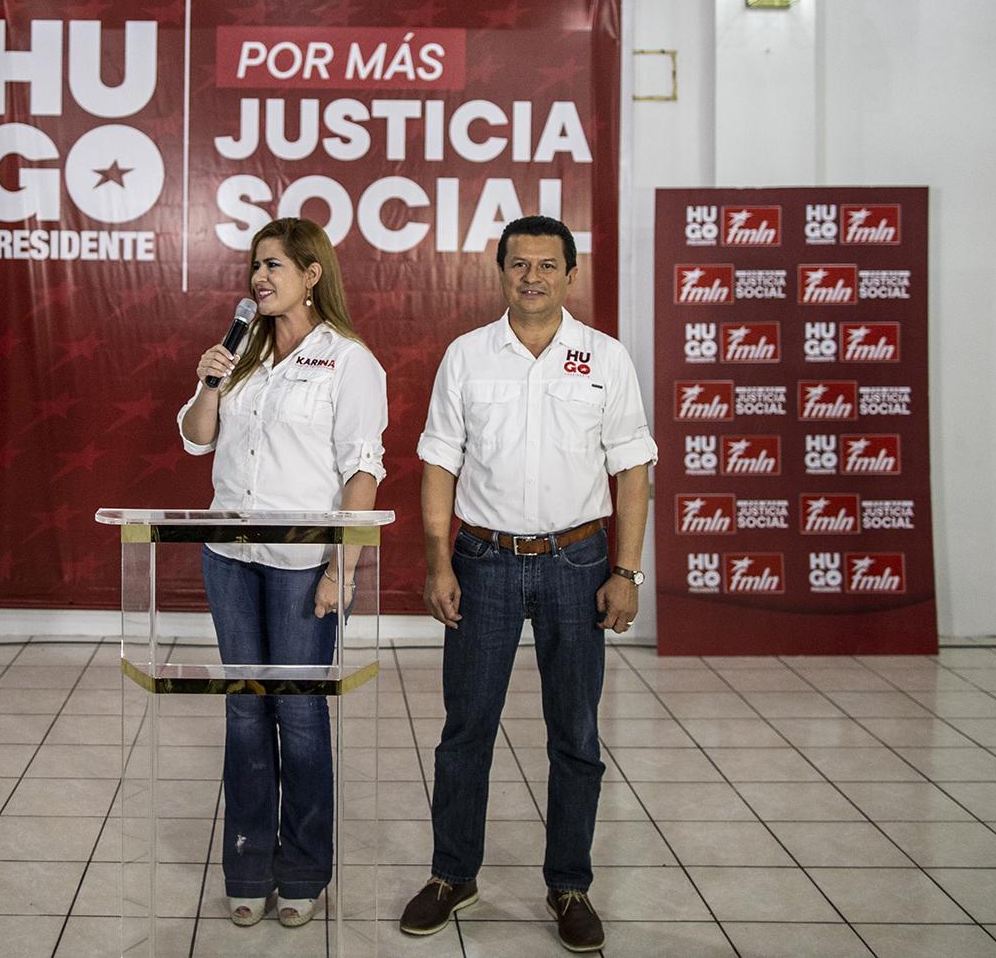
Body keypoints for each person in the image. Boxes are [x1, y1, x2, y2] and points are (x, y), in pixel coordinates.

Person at [398, 215, 656, 953]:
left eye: (547, 264)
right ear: (500, 271)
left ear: (571, 273)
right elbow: (439, 463)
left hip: (580, 563)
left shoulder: (604, 357)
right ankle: (453, 874)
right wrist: (439, 561)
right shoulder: (467, 356)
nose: (533, 276)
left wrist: (626, 571)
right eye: (519, 264)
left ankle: (569, 883)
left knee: (575, 733)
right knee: (465, 728)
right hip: (483, 561)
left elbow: (631, 467)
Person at [177, 216, 389, 928]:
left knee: (299, 712)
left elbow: (363, 469)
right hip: (230, 556)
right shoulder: (238, 354)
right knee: (245, 708)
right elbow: (196, 436)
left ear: (311, 274)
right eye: (254, 268)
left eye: (273, 266)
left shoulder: (349, 360)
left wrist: (343, 566)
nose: (259, 279)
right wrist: (211, 381)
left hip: (304, 564)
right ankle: (246, 863)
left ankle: (301, 870)